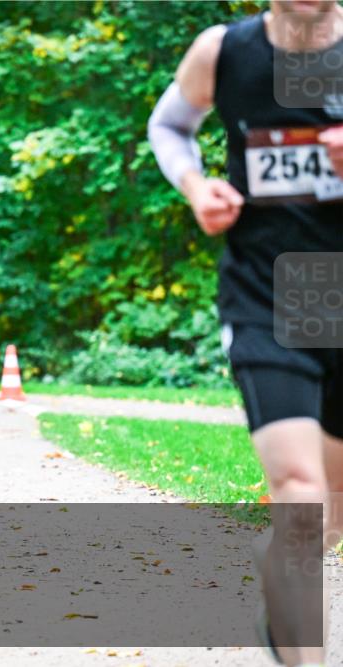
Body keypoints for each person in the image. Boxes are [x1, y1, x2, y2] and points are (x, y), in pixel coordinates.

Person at [148, 3, 343, 666]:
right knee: (298, 490)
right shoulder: (224, 51)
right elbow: (170, 124)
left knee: (326, 517)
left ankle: (283, 565)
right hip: (265, 293)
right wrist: (196, 184)